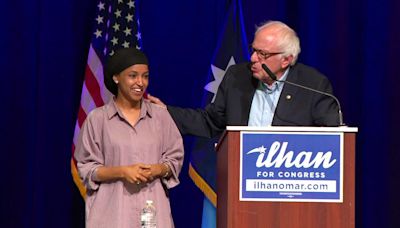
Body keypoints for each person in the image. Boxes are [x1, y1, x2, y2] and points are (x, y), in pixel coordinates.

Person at [148, 20, 340, 139]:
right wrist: (166, 113)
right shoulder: (237, 77)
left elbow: (331, 137)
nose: (253, 58)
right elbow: (210, 122)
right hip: (242, 181)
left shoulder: (313, 85)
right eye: (254, 50)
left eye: (262, 54)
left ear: (286, 60)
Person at [75, 48, 184, 228]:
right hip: (111, 216)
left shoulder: (160, 117)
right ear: (116, 78)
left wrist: (158, 169)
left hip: (153, 215)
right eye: (133, 76)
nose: (140, 82)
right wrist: (123, 172)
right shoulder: (97, 120)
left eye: (145, 76)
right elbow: (86, 169)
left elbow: (175, 158)